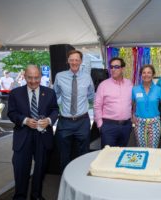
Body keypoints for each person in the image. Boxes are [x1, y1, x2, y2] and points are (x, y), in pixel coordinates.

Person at [7, 65, 59, 200]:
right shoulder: (15, 93)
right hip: (23, 135)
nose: (33, 81)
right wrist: (24, 120)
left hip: (43, 136)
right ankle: (20, 196)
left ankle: (36, 195)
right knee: (20, 168)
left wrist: (48, 120)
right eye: (30, 77)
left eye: (36, 77)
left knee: (40, 168)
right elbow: (11, 113)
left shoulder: (49, 92)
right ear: (24, 76)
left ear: (41, 77)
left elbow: (55, 110)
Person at [54, 50, 95, 172]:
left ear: (81, 61)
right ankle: (65, 181)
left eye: (77, 59)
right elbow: (54, 96)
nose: (74, 62)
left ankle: (82, 179)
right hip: (65, 122)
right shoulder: (59, 76)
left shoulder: (87, 77)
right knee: (64, 155)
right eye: (71, 59)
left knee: (84, 153)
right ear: (68, 61)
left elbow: (91, 96)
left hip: (82, 121)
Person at [94, 57, 133, 148]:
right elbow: (97, 106)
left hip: (126, 126)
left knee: (122, 153)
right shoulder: (103, 85)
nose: (113, 69)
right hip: (109, 126)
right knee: (107, 155)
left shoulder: (129, 84)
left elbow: (132, 103)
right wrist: (100, 125)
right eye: (111, 67)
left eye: (116, 67)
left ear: (122, 69)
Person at [132, 65, 161, 148]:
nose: (146, 75)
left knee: (153, 149)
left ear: (153, 74)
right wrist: (133, 115)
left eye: (149, 72)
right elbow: (133, 104)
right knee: (141, 148)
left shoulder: (158, 89)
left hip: (154, 122)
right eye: (144, 73)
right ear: (141, 75)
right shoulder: (135, 89)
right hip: (139, 123)